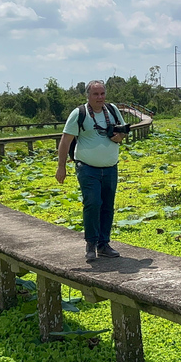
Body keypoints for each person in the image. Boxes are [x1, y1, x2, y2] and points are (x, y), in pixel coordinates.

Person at [55, 80, 127, 261]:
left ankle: (104, 244)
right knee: (93, 203)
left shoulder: (112, 110)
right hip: (87, 168)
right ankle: (91, 244)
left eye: (102, 94)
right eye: (95, 94)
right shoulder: (79, 114)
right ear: (88, 96)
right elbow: (65, 141)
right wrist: (61, 166)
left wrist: (119, 136)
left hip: (110, 168)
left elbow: (123, 131)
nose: (100, 97)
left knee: (107, 206)